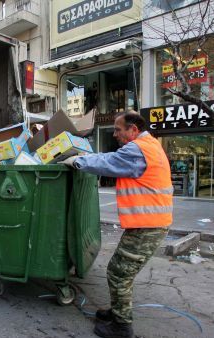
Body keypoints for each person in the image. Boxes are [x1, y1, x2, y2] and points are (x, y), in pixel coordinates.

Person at [62, 111, 173, 338]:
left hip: (148, 226)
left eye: (118, 129)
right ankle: (118, 312)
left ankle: (122, 327)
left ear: (133, 129)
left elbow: (108, 161)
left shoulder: (138, 149)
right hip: (148, 224)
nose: (115, 134)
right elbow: (111, 158)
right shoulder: (150, 145)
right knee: (120, 270)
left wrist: (78, 160)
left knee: (119, 273)